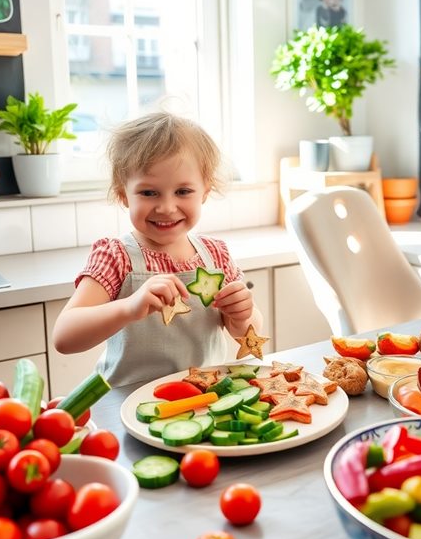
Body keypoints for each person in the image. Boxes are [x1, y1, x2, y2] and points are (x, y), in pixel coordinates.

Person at [52, 112, 263, 387]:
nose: (166, 207)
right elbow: (64, 337)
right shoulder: (116, 257)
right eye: (149, 193)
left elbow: (247, 332)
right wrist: (129, 307)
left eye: (183, 191)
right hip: (127, 407)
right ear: (122, 194)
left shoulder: (217, 255)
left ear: (205, 192)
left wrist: (242, 314)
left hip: (205, 401)